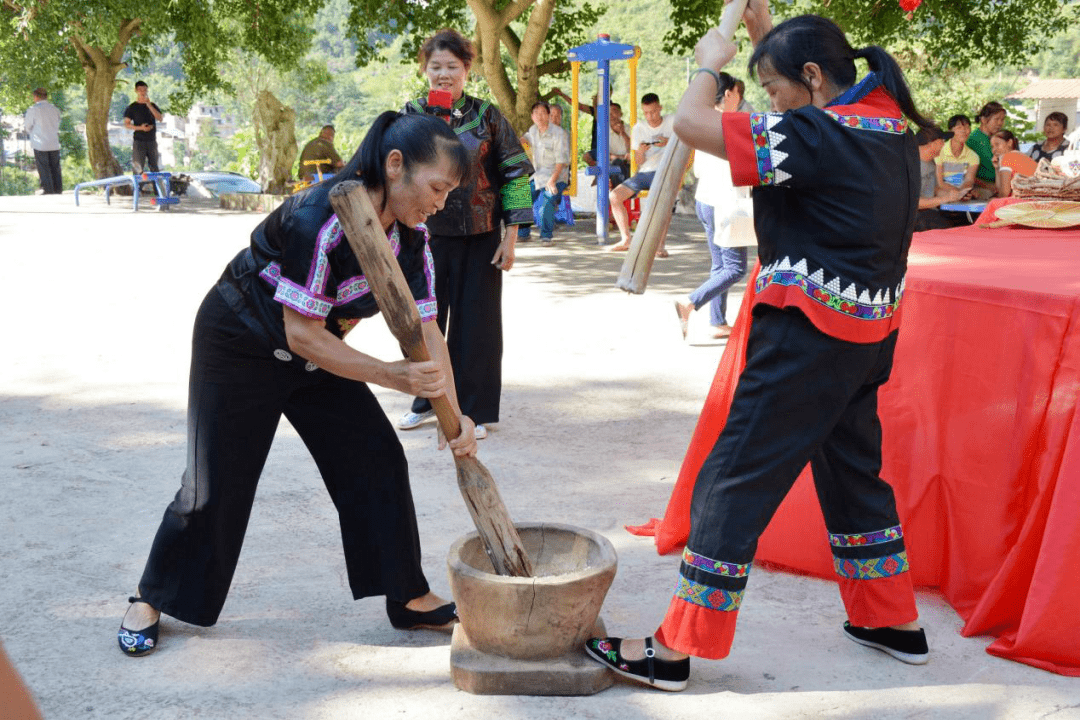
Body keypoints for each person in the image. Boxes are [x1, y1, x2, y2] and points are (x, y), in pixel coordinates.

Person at [586, 0, 931, 690]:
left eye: (773, 90)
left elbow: (689, 123)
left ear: (812, 78)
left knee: (733, 477)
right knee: (853, 474)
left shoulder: (815, 134)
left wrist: (707, 67)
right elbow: (799, 86)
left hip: (806, 338)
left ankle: (678, 646)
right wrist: (759, 26)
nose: (770, 102)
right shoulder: (888, 126)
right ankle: (890, 619)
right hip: (867, 334)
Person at [116, 111, 474, 657]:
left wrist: (454, 413)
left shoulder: (413, 239)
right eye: (437, 188)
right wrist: (390, 376)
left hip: (319, 349)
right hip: (241, 341)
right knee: (215, 485)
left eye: (449, 193)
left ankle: (408, 597)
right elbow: (300, 333)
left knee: (376, 457)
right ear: (395, 165)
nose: (440, 204)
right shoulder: (319, 216)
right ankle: (151, 594)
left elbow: (426, 331)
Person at [397, 28, 534, 440]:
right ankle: (425, 402)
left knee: (478, 326)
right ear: (424, 69)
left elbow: (515, 172)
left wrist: (510, 237)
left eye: (452, 67)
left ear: (467, 70)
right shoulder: (410, 114)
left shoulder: (487, 115)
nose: (443, 75)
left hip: (482, 234)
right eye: (435, 67)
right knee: (423, 320)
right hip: (424, 235)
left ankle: (472, 409)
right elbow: (397, 170)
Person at [675, 71, 754, 340]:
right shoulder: (732, 123)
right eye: (737, 93)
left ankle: (718, 322)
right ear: (729, 94)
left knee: (720, 267)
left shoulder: (703, 121)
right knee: (734, 268)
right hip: (727, 203)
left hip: (706, 200)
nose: (740, 99)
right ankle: (690, 303)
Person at [608, 93, 676, 254]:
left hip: (666, 171)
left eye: (653, 112)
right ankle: (626, 239)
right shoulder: (639, 128)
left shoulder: (672, 121)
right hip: (645, 172)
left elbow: (686, 145)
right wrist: (640, 152)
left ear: (660, 108)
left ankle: (660, 245)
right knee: (614, 196)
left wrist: (670, 142)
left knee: (662, 203)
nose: (650, 116)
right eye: (646, 113)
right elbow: (638, 162)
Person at [518, 101, 570, 245]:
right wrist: (519, 141)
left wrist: (552, 181)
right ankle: (523, 234)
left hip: (557, 176)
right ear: (532, 116)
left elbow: (562, 161)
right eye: (536, 113)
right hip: (538, 176)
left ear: (548, 115)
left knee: (548, 197)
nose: (539, 116)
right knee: (523, 197)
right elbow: (526, 139)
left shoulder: (559, 134)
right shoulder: (533, 130)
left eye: (543, 113)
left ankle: (546, 236)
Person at [914, 126, 964, 231]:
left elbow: (934, 190)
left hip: (930, 212)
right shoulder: (909, 164)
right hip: (914, 217)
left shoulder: (931, 163)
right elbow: (913, 202)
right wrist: (945, 199)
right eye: (942, 141)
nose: (944, 144)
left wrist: (955, 195)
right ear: (933, 143)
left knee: (963, 221)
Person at [24, 87, 62, 195]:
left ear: (36, 97)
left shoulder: (33, 109)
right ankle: (58, 189)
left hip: (40, 143)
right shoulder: (55, 109)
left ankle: (47, 189)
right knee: (55, 167)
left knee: (43, 167)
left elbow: (28, 126)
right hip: (54, 142)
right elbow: (58, 122)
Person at [122, 80, 164, 173]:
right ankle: (138, 187)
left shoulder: (152, 105)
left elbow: (160, 118)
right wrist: (141, 128)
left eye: (145, 90)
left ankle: (156, 187)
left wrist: (148, 105)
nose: (143, 92)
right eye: (140, 90)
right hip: (139, 141)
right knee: (138, 168)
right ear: (136, 91)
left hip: (152, 140)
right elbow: (127, 124)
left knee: (154, 167)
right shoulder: (132, 107)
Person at [967, 101, 1006, 196]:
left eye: (1002, 119)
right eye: (996, 119)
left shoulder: (1000, 138)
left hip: (1000, 185)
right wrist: (988, 185)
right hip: (980, 188)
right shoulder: (973, 140)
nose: (1000, 123)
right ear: (983, 120)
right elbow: (965, 172)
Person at [935, 114, 978, 196]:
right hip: (943, 191)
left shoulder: (973, 156)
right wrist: (960, 193)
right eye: (959, 128)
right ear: (950, 131)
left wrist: (964, 192)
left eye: (967, 127)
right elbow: (940, 183)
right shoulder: (940, 151)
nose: (964, 131)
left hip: (962, 192)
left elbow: (969, 181)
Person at [992, 129, 1021, 198]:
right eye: (992, 146)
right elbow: (1000, 189)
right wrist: (997, 168)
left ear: (1009, 143)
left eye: (997, 144)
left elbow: (1005, 193)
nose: (994, 149)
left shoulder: (1007, 158)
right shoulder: (1017, 155)